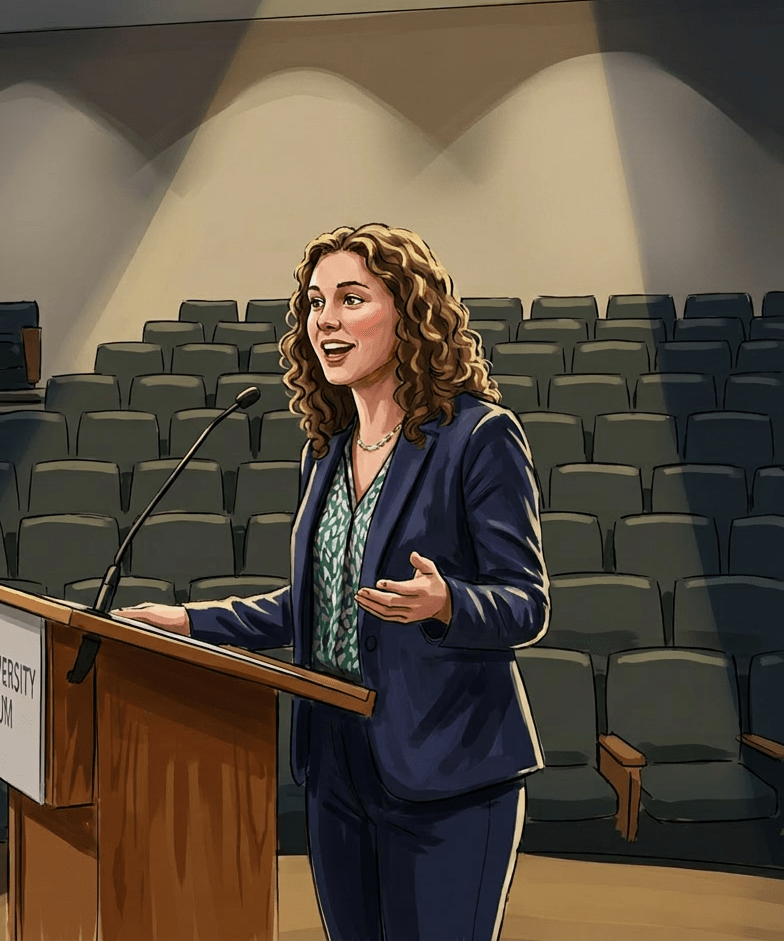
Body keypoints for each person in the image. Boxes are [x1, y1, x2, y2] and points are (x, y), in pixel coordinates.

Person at [119, 223, 550, 941]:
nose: (327, 320)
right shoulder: (326, 454)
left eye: (352, 299)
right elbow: (311, 607)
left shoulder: (479, 437)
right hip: (336, 760)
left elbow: (526, 601)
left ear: (411, 313)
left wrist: (448, 604)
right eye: (316, 303)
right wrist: (190, 623)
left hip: (447, 769)